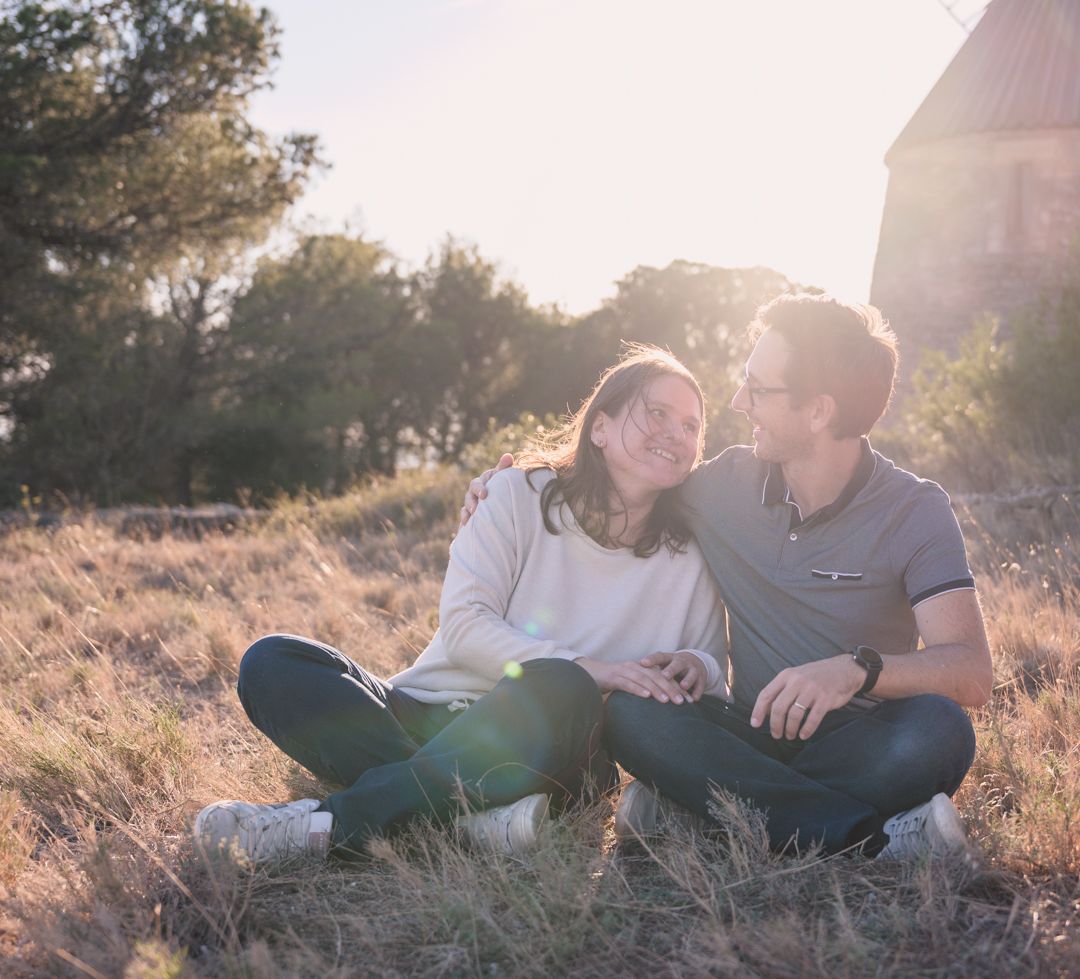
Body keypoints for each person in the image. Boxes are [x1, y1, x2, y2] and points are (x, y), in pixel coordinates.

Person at [464, 295, 993, 859]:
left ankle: (708, 812)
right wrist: (511, 485)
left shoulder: (914, 510)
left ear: (818, 412)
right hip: (746, 732)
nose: (740, 402)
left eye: (759, 390)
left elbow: (971, 672)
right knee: (633, 713)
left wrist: (855, 671)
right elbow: (617, 480)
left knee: (940, 731)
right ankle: (869, 839)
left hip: (859, 742)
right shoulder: (721, 486)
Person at [195, 347, 729, 865]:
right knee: (272, 662)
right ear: (600, 428)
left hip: (553, 748)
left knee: (564, 686)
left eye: (691, 426)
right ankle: (472, 820)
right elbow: (465, 628)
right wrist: (599, 669)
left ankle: (330, 826)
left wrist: (697, 667)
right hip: (425, 714)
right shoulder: (516, 494)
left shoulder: (695, 555)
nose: (675, 433)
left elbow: (708, 688)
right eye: (657, 413)